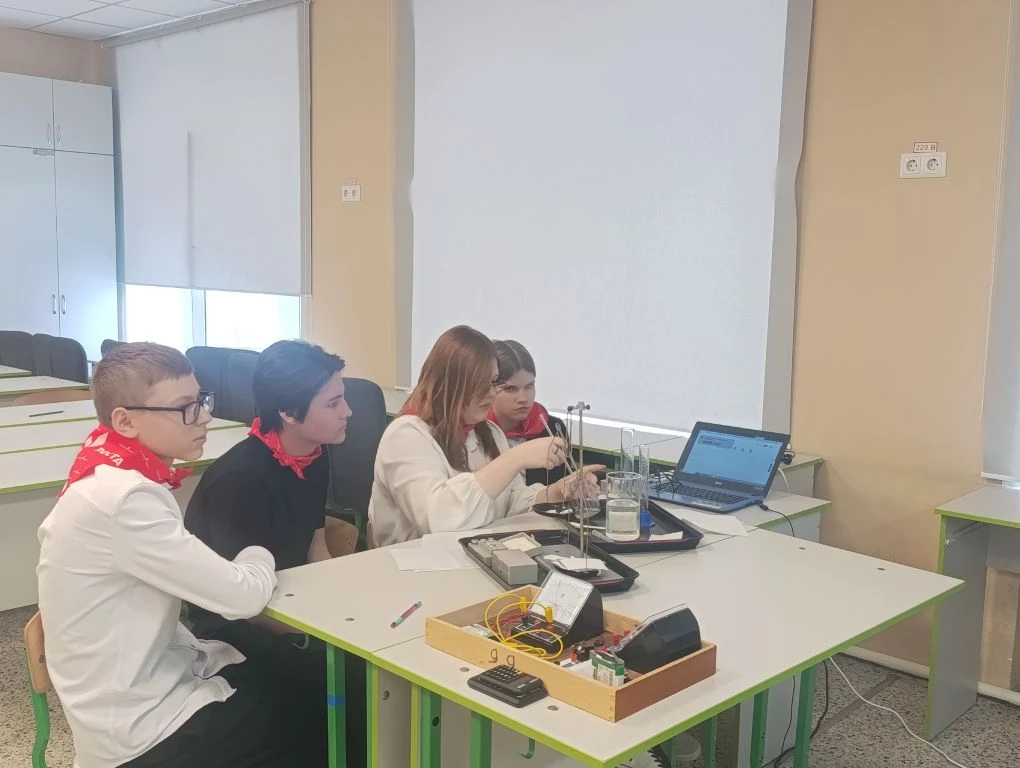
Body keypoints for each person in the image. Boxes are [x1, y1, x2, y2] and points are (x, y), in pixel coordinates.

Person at [36, 342, 325, 768]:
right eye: (184, 408)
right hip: (141, 733)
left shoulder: (110, 474)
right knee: (329, 711)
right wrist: (260, 550)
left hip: (136, 689)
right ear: (125, 421)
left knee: (303, 678)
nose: (204, 416)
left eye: (201, 400)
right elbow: (242, 597)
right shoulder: (125, 500)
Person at [184, 339, 364, 767]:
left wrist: (349, 606)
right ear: (288, 412)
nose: (348, 411)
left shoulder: (315, 455)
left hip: (291, 601)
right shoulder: (241, 480)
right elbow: (234, 603)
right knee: (346, 678)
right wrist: (321, 632)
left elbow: (316, 545)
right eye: (333, 402)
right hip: (234, 623)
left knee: (366, 665)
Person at [369, 325, 601, 547]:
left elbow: (510, 503)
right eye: (481, 384)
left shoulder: (489, 432)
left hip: (468, 556)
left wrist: (557, 491)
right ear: (450, 385)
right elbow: (439, 519)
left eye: (492, 382)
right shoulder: (405, 436)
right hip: (408, 564)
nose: (490, 393)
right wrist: (515, 458)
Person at [488, 339, 569, 486]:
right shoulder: (474, 431)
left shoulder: (552, 428)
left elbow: (560, 489)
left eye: (529, 386)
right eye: (510, 389)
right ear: (489, 388)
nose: (523, 398)